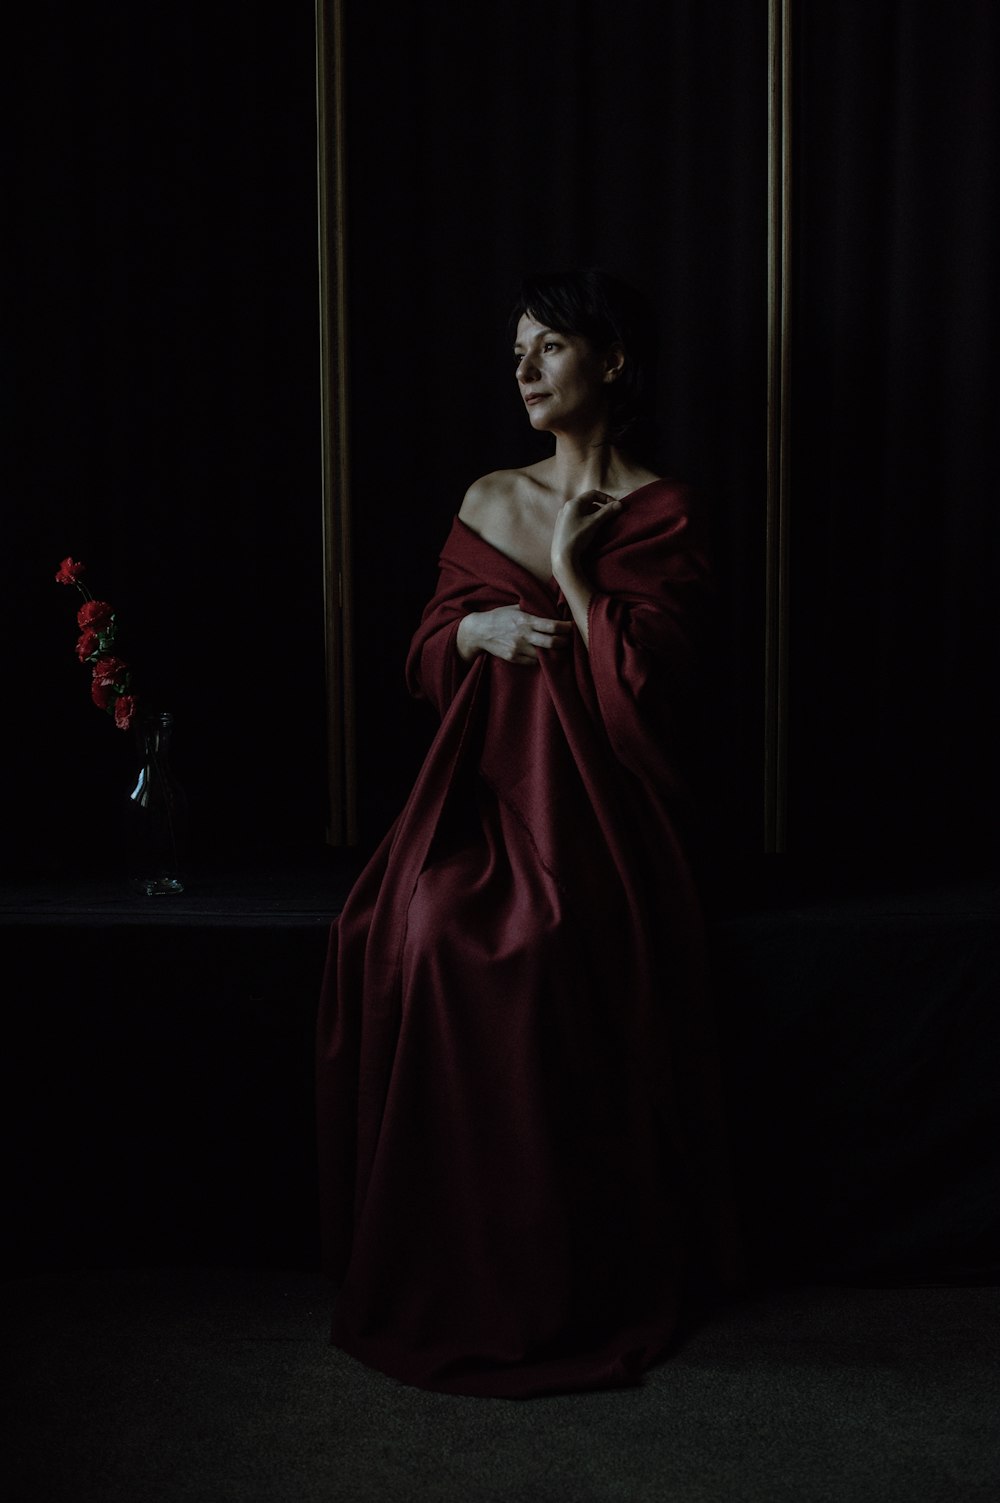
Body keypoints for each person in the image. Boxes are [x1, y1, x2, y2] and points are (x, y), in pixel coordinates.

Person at [315, 268, 740, 1398]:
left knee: (551, 949)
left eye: (548, 347)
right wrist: (475, 634)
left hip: (603, 806)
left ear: (609, 361)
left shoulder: (668, 510)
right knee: (417, 930)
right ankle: (447, 1262)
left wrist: (566, 577)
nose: (523, 368)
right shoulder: (488, 493)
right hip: (483, 795)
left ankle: (562, 1272)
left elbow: (646, 693)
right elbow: (419, 653)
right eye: (517, 350)